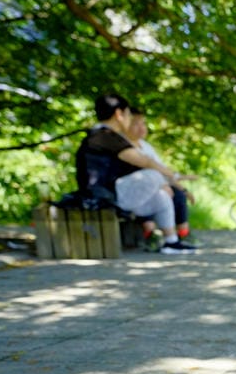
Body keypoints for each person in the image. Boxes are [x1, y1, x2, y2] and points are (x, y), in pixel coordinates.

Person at [75, 93, 197, 255]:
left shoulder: (106, 136)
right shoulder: (103, 136)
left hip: (114, 194)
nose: (129, 119)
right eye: (128, 115)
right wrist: (170, 177)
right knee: (152, 175)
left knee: (162, 195)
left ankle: (171, 241)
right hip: (103, 197)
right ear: (119, 114)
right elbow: (144, 161)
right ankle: (163, 236)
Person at [123, 106, 199, 248]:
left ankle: (182, 233)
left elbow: (163, 170)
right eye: (136, 124)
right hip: (133, 190)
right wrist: (163, 184)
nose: (141, 128)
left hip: (154, 184)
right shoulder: (122, 145)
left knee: (178, 195)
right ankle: (151, 234)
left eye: (143, 123)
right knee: (154, 193)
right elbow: (147, 171)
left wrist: (183, 187)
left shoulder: (145, 146)